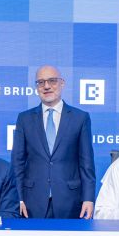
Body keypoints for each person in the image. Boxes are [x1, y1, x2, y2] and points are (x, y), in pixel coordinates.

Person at [11, 65, 96, 219]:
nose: (46, 86)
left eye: (52, 81)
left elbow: (86, 163)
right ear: (36, 87)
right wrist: (18, 198)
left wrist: (88, 198)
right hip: (32, 203)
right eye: (41, 82)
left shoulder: (80, 118)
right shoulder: (24, 119)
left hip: (70, 201)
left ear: (62, 83)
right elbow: (17, 163)